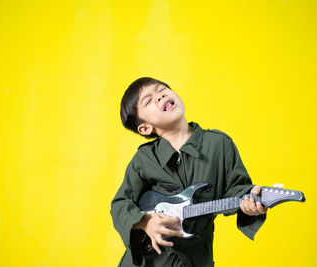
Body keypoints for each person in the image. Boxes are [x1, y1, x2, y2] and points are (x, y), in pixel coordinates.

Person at [110, 77, 268, 267]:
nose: (159, 96)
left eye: (161, 89)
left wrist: (250, 204)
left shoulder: (219, 145)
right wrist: (145, 222)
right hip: (148, 262)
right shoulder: (144, 159)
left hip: (195, 260)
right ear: (145, 128)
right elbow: (120, 205)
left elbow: (238, 190)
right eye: (149, 100)